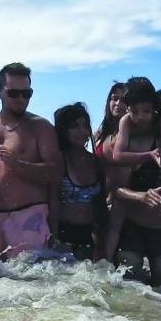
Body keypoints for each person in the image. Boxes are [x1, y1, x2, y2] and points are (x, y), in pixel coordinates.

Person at [0, 63, 61, 260]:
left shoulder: (41, 127)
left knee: (28, 284)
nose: (21, 99)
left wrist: (18, 165)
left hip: (29, 216)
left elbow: (55, 172)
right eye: (14, 93)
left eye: (26, 94)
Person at [110, 87, 161, 284]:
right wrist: (141, 196)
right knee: (129, 277)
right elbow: (116, 190)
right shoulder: (139, 146)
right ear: (158, 117)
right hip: (133, 227)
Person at [54, 103, 107, 260]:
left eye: (85, 126)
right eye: (74, 127)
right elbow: (52, 201)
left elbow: (102, 205)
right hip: (63, 237)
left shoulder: (97, 163)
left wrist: (102, 240)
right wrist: (53, 237)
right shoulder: (58, 161)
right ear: (63, 130)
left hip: (90, 237)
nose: (82, 131)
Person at [95, 82, 127, 161]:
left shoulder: (136, 132)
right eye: (115, 99)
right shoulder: (99, 134)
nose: (118, 103)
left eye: (123, 100)